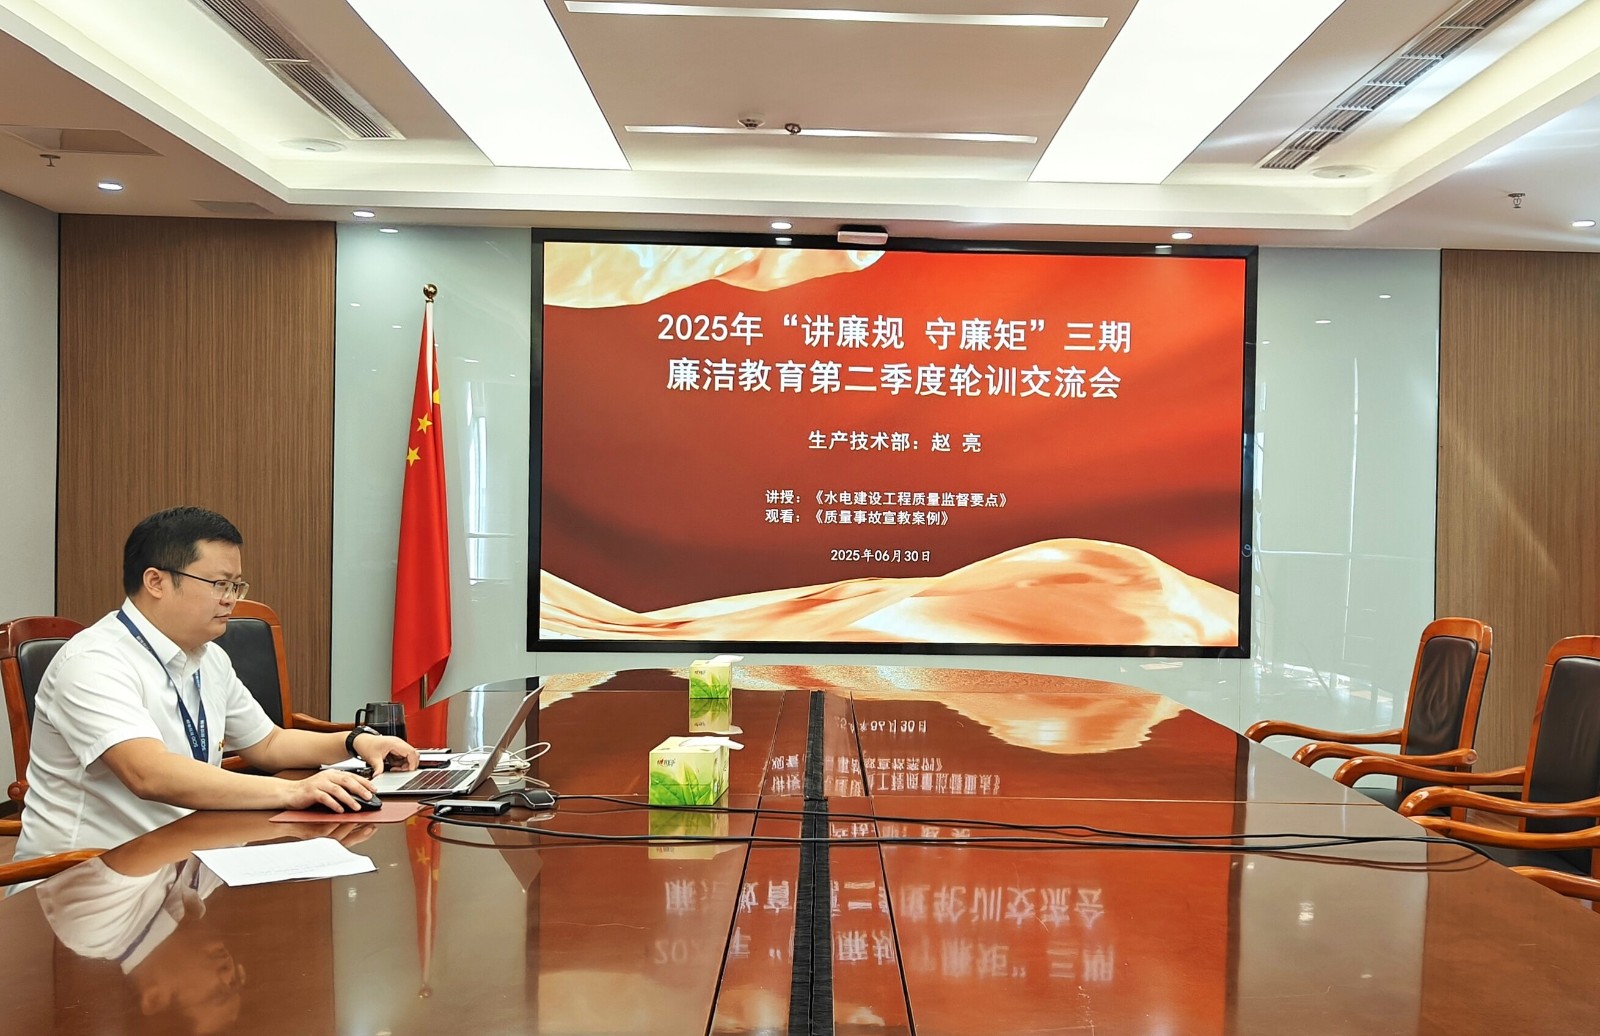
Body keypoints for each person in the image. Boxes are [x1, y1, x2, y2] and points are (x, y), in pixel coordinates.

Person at [14, 506, 417, 863]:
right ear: (156, 581)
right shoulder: (94, 662)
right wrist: (293, 792)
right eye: (219, 584)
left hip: (182, 859)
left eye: (236, 586)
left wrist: (354, 741)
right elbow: (148, 774)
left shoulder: (207, 657)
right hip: (89, 878)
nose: (230, 599)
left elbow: (268, 744)